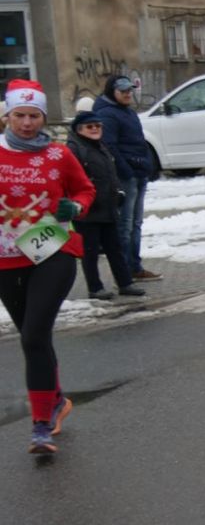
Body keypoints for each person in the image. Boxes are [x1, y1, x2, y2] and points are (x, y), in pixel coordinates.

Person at [0, 80, 96, 454]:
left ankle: (40, 426)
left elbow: (84, 190)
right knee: (33, 337)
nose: (27, 123)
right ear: (8, 115)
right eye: (20, 115)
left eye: (34, 116)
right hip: (7, 257)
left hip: (52, 248)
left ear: (43, 117)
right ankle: (54, 400)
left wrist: (76, 207)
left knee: (34, 335)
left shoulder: (58, 155)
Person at [66, 112, 145, 300]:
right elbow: (72, 180)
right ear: (79, 130)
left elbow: (111, 174)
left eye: (97, 125)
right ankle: (95, 288)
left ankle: (125, 283)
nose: (95, 129)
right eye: (89, 126)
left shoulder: (101, 146)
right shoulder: (74, 149)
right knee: (90, 252)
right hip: (88, 211)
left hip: (108, 208)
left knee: (115, 249)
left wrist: (118, 192)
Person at [95, 75, 161, 282]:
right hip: (127, 176)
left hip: (138, 173)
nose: (127, 94)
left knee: (136, 223)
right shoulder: (107, 114)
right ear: (111, 92)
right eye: (123, 91)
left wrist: (148, 165)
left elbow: (138, 142)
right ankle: (124, 271)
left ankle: (134, 266)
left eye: (129, 91)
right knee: (125, 224)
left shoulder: (127, 112)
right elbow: (110, 146)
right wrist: (127, 171)